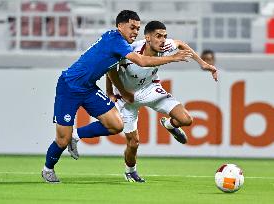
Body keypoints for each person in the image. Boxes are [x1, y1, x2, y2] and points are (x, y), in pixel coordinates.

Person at [42, 11, 193, 183]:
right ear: (120, 26)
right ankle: (48, 169)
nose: (135, 31)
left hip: (88, 88)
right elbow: (142, 62)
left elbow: (110, 69)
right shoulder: (116, 41)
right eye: (132, 27)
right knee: (62, 140)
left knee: (116, 125)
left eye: (138, 28)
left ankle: (76, 135)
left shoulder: (120, 43)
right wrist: (172, 58)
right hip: (69, 86)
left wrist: (110, 92)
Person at [68, 20, 218, 182]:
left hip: (150, 89)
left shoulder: (165, 46)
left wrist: (203, 64)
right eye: (158, 36)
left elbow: (181, 44)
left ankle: (169, 125)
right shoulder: (131, 50)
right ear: (147, 38)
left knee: (186, 119)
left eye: (164, 36)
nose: (162, 40)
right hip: (126, 98)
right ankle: (130, 171)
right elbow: (111, 70)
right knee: (133, 143)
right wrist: (117, 92)